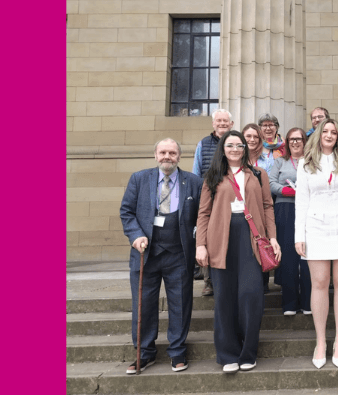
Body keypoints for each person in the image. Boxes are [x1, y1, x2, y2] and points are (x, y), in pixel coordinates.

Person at [196, 130, 281, 374]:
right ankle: (227, 353)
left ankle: (248, 352)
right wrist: (200, 244)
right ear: (223, 148)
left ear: (245, 149)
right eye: (230, 145)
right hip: (220, 239)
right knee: (224, 298)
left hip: (252, 239)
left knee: (251, 295)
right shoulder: (213, 176)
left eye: (239, 145)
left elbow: (267, 207)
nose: (235, 149)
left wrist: (272, 238)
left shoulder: (257, 174)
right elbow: (203, 213)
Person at [118, 138, 202, 374]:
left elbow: (203, 215)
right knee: (143, 305)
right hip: (146, 253)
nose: (167, 156)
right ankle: (144, 353)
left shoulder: (194, 182)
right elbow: (126, 212)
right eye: (163, 152)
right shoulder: (139, 179)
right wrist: (135, 236)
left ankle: (177, 351)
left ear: (179, 156)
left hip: (179, 254)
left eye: (172, 153)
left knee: (180, 304)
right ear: (155, 154)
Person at [294, 118, 338, 369]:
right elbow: (301, 201)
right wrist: (298, 236)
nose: (329, 135)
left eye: (334, 132)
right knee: (320, 283)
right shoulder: (305, 162)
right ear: (318, 134)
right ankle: (321, 341)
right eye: (325, 131)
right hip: (315, 226)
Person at [269, 127, 313, 316]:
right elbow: (270, 183)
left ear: (305, 141)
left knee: (308, 255)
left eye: (299, 139)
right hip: (285, 209)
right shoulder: (280, 162)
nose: (295, 142)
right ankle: (289, 303)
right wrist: (286, 191)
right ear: (287, 142)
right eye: (292, 139)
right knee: (288, 256)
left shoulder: (312, 162)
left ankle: (308, 303)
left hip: (308, 210)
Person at [192, 108, 235, 296]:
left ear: (231, 124)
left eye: (226, 121)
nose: (222, 124)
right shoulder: (203, 144)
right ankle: (209, 281)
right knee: (209, 237)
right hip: (209, 197)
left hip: (232, 197)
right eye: (219, 121)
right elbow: (196, 171)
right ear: (213, 123)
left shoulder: (236, 142)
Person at [242, 123, 276, 292]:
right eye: (248, 136)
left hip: (261, 208)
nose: (252, 140)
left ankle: (262, 285)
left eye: (256, 136)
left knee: (261, 246)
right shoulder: (234, 159)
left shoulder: (269, 160)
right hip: (240, 212)